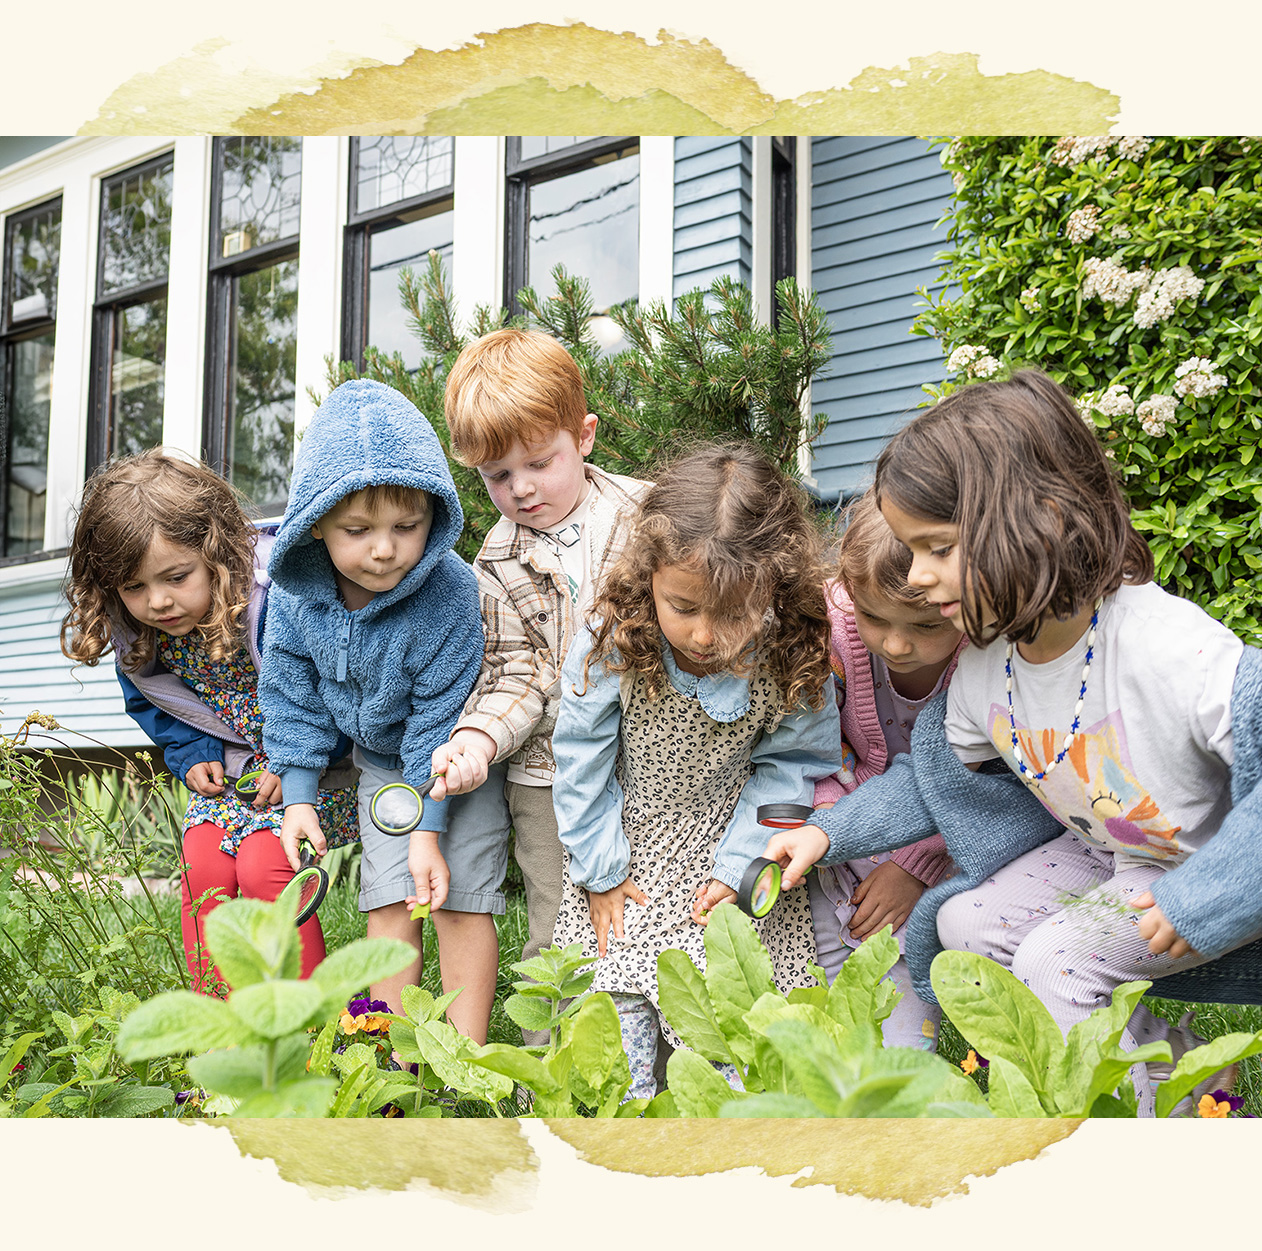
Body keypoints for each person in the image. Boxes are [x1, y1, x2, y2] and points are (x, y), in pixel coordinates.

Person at [763, 369, 1257, 1115]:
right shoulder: (991, 666)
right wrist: (825, 834)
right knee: (963, 925)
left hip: (1200, 868)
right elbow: (928, 777)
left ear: (1039, 518)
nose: (920, 577)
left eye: (936, 548)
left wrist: (1206, 897)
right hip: (1112, 853)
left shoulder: (1163, 645)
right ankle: (1176, 1082)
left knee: (1056, 963)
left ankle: (1127, 1151)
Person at [548, 442, 843, 1099]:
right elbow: (580, 761)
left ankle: (721, 1138)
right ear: (649, 575)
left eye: (734, 612)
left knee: (725, 1019)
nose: (707, 634)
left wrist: (738, 868)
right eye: (684, 606)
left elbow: (791, 766)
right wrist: (601, 869)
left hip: (723, 852)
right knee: (613, 1020)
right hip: (629, 849)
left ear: (775, 586)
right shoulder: (616, 637)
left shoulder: (788, 649)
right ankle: (624, 1127)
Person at [60, 451, 357, 992]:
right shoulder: (138, 631)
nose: (158, 602)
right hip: (232, 769)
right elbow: (155, 704)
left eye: (176, 577)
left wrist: (295, 764)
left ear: (216, 553)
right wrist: (192, 754)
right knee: (205, 869)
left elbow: (335, 689)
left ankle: (316, 1026)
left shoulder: (274, 601)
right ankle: (219, 1022)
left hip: (314, 763)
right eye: (133, 588)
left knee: (268, 866)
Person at [426, 328, 648, 1043]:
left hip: (648, 762)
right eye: (496, 475)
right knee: (560, 927)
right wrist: (476, 738)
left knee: (648, 914)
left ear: (583, 436)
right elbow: (514, 668)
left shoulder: (649, 516)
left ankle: (656, 1066)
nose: (520, 488)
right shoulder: (497, 555)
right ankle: (548, 1072)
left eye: (538, 462)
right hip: (548, 775)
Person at [257, 379, 492, 1038]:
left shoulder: (449, 596)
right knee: (390, 901)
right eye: (357, 530)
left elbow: (438, 718)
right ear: (316, 527)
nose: (384, 548)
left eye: (406, 526)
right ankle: (396, 1062)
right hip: (381, 768)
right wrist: (298, 794)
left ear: (433, 516)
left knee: (456, 902)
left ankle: (463, 1062)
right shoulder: (297, 597)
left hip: (455, 767)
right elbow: (289, 693)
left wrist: (429, 830)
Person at [810, 491, 966, 1050]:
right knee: (827, 923)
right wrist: (830, 821)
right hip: (849, 818)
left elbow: (979, 784)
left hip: (949, 839)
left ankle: (905, 1065)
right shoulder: (836, 632)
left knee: (904, 937)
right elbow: (814, 746)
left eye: (924, 627)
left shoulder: (979, 653)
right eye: (875, 618)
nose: (896, 644)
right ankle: (836, 1056)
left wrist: (914, 865)